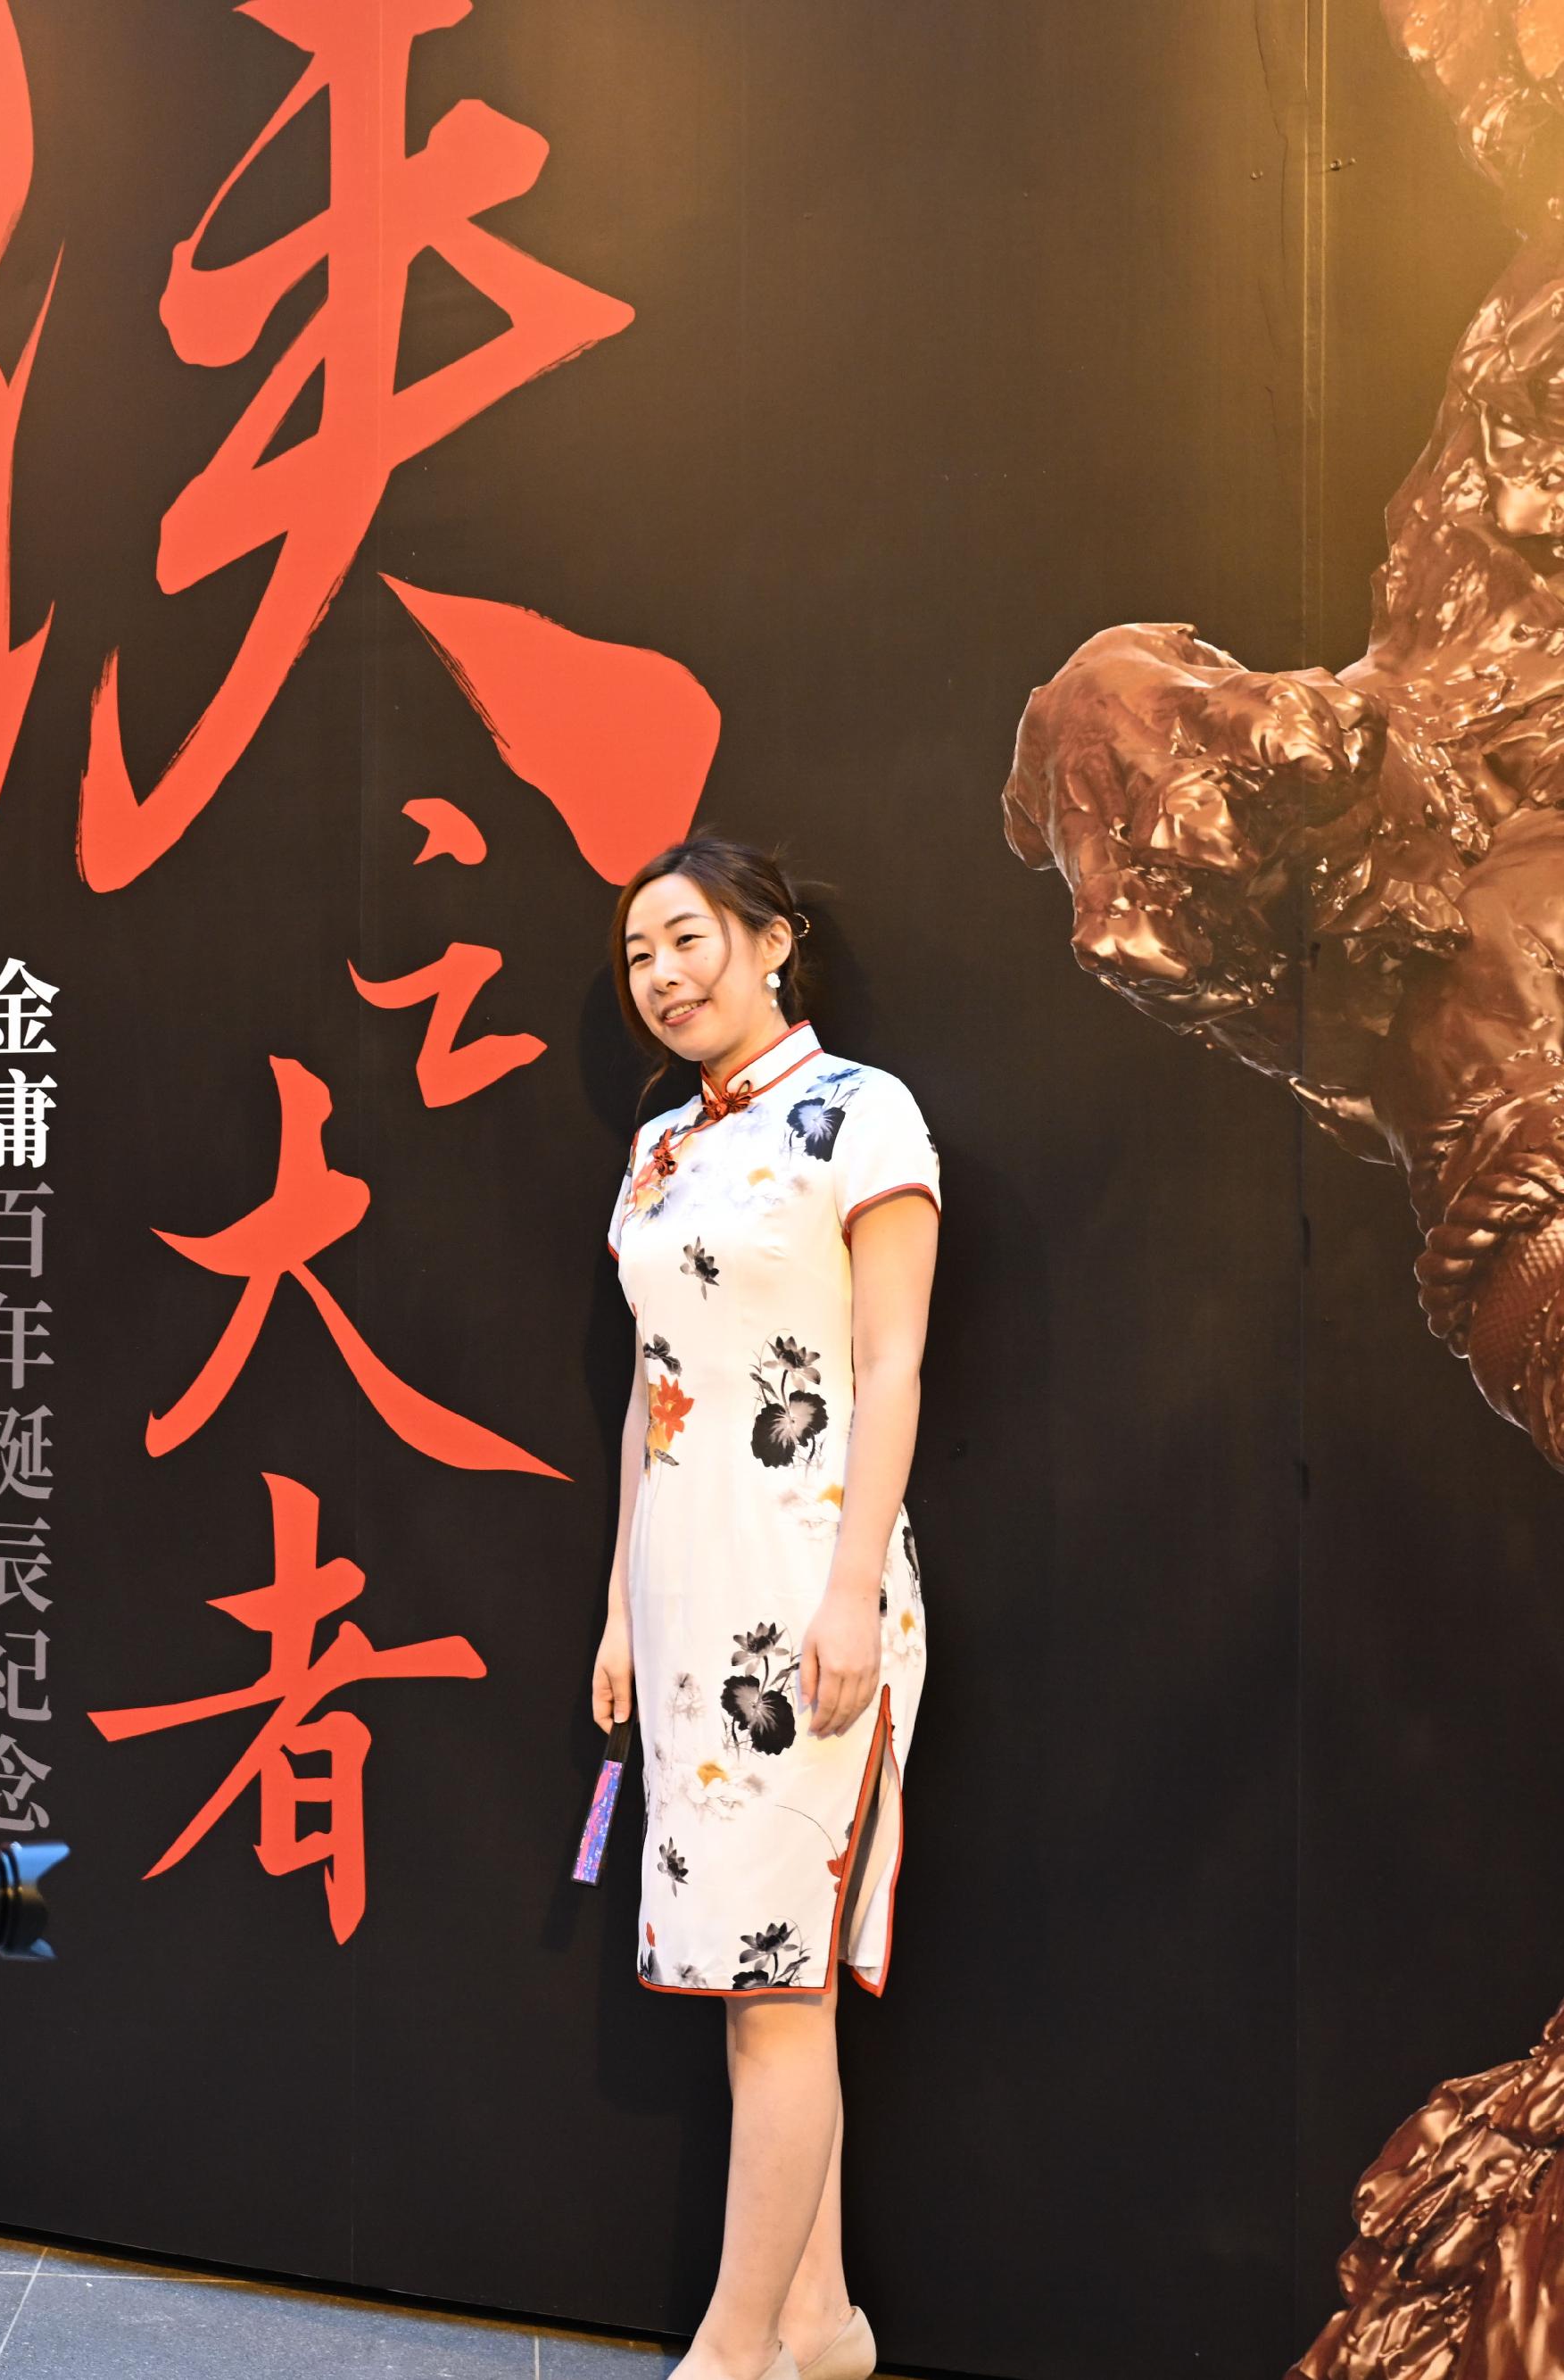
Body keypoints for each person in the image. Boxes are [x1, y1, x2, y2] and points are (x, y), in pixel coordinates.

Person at [590, 835, 939, 2380]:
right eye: (639, 958)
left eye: (687, 940)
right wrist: (616, 1609)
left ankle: (730, 2353)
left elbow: (893, 1367)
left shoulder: (863, 1114)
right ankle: (820, 2322)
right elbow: (647, 1398)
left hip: (807, 1591)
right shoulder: (657, 1149)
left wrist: (855, 1585)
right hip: (684, 1591)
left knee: (775, 1987)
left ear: (772, 939)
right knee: (756, 1980)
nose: (662, 977)